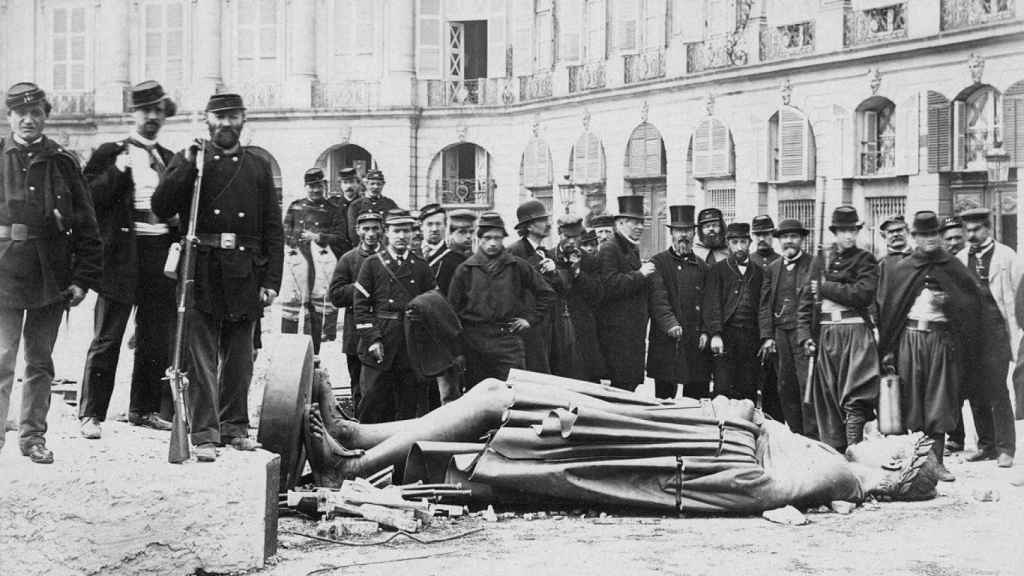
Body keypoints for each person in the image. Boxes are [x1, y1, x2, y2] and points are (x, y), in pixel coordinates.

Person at [304, 371, 942, 513]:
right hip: (662, 426)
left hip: (653, 441)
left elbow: (753, 485)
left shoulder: (839, 477)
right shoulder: (835, 467)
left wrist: (741, 422)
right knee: (493, 393)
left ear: (892, 471)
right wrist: (742, 419)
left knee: (495, 403)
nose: (884, 434)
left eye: (894, 442)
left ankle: (351, 461)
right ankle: (356, 435)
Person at [152, 93, 283, 462]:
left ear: (243, 119)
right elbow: (162, 207)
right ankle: (206, 433)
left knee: (241, 355)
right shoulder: (191, 158)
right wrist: (187, 167)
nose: (226, 124)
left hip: (245, 270)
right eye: (219, 117)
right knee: (201, 356)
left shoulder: (257, 165)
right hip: (202, 268)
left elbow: (273, 228)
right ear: (207, 119)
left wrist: (271, 279)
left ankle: (235, 428)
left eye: (233, 117)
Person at [0, 82, 102, 463]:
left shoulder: (62, 162)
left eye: (36, 113)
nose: (28, 119)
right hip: (4, 271)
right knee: (1, 356)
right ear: (9, 116)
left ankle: (33, 437)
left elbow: (88, 225)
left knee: (40, 360)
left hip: (50, 274)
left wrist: (82, 278)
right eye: (20, 113)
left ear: (45, 116)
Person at [78, 80, 177, 439]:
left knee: (154, 337)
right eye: (145, 111)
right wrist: (118, 170)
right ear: (133, 113)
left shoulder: (169, 158)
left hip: (159, 256)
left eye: (158, 111)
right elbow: (87, 199)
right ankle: (92, 413)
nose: (152, 117)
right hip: (122, 256)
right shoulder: (109, 151)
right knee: (109, 336)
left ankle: (144, 409)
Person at [876, 211, 982, 482]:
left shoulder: (953, 266)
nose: (930, 239)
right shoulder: (904, 268)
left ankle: (937, 463)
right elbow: (891, 310)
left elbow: (972, 305)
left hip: (940, 339)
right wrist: (888, 348)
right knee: (912, 399)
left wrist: (947, 300)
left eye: (934, 233)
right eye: (923, 235)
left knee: (939, 399)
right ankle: (917, 461)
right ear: (915, 237)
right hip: (909, 339)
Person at [798, 206, 879, 453]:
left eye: (852, 230)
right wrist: (804, 337)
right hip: (826, 333)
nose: (848, 236)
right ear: (835, 232)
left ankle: (856, 452)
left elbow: (862, 294)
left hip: (854, 332)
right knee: (828, 397)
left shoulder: (865, 259)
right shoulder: (819, 261)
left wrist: (826, 288)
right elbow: (805, 302)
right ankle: (837, 456)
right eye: (843, 231)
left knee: (855, 395)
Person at [446, 211, 555, 388]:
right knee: (478, 397)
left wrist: (529, 319)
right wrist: (458, 350)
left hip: (508, 341)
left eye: (497, 238)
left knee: (513, 395)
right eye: (487, 238)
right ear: (479, 239)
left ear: (503, 238)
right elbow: (452, 312)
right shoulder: (465, 270)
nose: (492, 243)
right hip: (474, 342)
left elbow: (546, 294)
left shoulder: (517, 266)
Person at [353, 209, 435, 424]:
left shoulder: (420, 266)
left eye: (406, 231)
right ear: (387, 233)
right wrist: (373, 339)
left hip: (410, 344)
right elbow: (361, 307)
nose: (401, 236)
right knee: (372, 403)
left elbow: (432, 304)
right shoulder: (372, 264)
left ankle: (402, 456)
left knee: (408, 405)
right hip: (381, 342)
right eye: (397, 231)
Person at [957, 208, 1016, 468]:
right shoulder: (959, 258)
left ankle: (1006, 448)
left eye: (976, 230)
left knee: (997, 389)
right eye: (967, 230)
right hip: (972, 334)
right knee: (975, 390)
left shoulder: (1006, 256)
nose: (971, 235)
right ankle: (986, 445)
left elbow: (1016, 295)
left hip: (997, 332)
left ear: (988, 229)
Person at [758, 219, 817, 437]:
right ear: (779, 241)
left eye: (793, 237)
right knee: (786, 387)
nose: (789, 241)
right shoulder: (772, 269)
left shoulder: (813, 265)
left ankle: (812, 436)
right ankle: (795, 434)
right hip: (780, 335)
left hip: (804, 336)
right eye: (784, 237)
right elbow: (764, 305)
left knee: (807, 387)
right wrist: (767, 336)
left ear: (802, 240)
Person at [646, 205, 712, 400]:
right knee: (665, 399)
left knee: (696, 398)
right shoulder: (658, 262)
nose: (683, 236)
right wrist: (670, 324)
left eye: (687, 231)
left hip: (695, 340)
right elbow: (658, 300)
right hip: (668, 339)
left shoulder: (702, 266)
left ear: (694, 234)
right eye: (678, 231)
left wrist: (706, 331)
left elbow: (709, 303)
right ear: (672, 234)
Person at [281, 167, 345, 354]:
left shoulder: (333, 210)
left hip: (320, 266)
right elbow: (284, 232)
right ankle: (287, 353)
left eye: (318, 186)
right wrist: (293, 243)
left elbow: (340, 237)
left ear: (324, 186)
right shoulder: (295, 207)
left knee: (316, 311)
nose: (315, 190)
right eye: (311, 186)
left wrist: (317, 237)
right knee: (290, 309)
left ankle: (312, 354)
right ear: (305, 187)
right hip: (297, 264)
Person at [597, 196, 656, 390]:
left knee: (629, 384)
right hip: (617, 334)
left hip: (631, 332)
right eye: (635, 222)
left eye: (642, 223)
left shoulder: (630, 248)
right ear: (620, 223)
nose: (640, 227)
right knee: (620, 386)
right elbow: (609, 285)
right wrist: (640, 274)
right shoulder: (610, 249)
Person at [328, 210, 382, 414]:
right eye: (366, 229)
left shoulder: (388, 257)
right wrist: (362, 287)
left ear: (382, 231)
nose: (370, 234)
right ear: (358, 231)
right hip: (356, 333)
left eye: (375, 229)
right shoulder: (348, 260)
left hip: (383, 330)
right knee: (359, 386)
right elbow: (335, 295)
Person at [705, 222, 763, 402]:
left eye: (743, 242)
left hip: (751, 339)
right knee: (723, 388)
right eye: (734, 242)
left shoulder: (759, 272)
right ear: (728, 244)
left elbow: (763, 306)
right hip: (726, 338)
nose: (739, 247)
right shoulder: (717, 270)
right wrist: (715, 334)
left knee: (748, 389)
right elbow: (711, 303)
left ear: (749, 243)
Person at [508, 200, 562, 374]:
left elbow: (554, 290)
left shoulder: (544, 253)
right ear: (530, 227)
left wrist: (554, 272)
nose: (548, 224)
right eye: (543, 220)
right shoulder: (515, 252)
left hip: (545, 327)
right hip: (527, 329)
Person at [748, 214, 783, 421]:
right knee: (750, 384)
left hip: (774, 332)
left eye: (766, 234)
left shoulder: (780, 262)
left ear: (773, 235)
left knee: (774, 385)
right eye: (758, 234)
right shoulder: (748, 261)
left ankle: (775, 427)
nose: (762, 238)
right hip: (750, 331)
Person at [938, 214, 967, 452]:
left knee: (980, 388)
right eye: (949, 239)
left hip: (973, 334)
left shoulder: (971, 261)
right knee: (952, 386)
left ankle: (990, 440)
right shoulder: (940, 265)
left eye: (958, 237)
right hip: (948, 333)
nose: (954, 243)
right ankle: (956, 436)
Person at [565, 229, 605, 383]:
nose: (589, 249)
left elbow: (597, 291)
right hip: (568, 321)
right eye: (586, 245)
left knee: (589, 371)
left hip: (588, 323)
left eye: (593, 244)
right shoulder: (559, 257)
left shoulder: (592, 263)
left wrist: (578, 273)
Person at [550, 215, 584, 379]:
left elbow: (597, 292)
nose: (571, 241)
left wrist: (578, 272)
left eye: (575, 237)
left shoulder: (587, 259)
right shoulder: (548, 257)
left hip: (580, 326)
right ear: (559, 234)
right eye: (567, 237)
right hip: (554, 323)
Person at [429, 208, 474, 295]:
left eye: (471, 232)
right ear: (450, 233)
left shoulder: (473, 258)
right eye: (462, 232)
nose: (469, 236)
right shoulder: (444, 261)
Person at [346, 169, 396, 244]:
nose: (375, 187)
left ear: (383, 185)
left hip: (384, 248)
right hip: (364, 248)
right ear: (366, 184)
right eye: (372, 184)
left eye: (379, 184)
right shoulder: (356, 205)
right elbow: (353, 232)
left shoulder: (390, 204)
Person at [329, 167, 361, 255]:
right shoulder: (332, 203)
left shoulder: (364, 203)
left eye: (351, 182)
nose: (348, 186)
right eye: (345, 183)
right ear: (340, 185)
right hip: (337, 251)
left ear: (358, 183)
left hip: (358, 251)